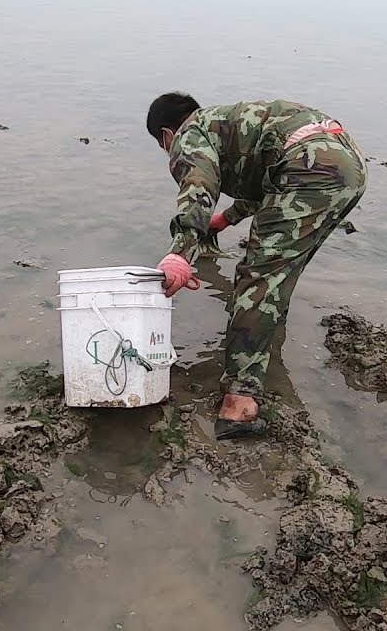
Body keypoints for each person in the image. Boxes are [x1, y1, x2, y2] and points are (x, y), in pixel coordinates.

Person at [146, 93, 368, 440]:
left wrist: (181, 252)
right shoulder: (225, 123)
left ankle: (238, 405)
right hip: (345, 164)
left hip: (311, 169)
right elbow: (269, 177)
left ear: (166, 136)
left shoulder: (188, 135)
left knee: (258, 278)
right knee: (282, 268)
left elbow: (198, 185)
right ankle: (268, 342)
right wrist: (226, 219)